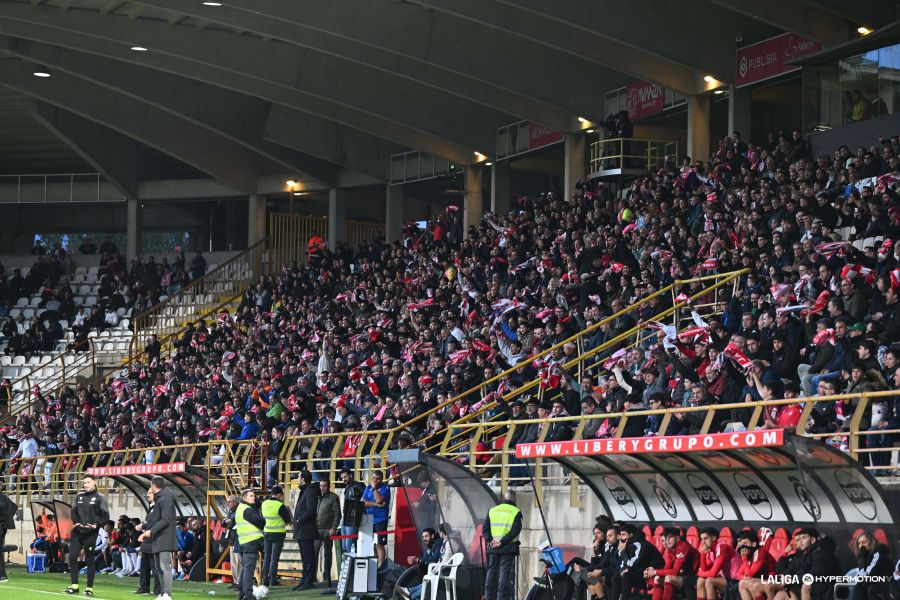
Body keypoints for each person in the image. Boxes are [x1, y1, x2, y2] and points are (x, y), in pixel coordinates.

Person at [66, 474, 110, 596]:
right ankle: (74, 586)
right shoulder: (78, 496)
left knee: (89, 560)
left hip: (91, 533)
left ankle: (89, 588)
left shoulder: (100, 498)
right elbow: (73, 512)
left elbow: (106, 517)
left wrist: (96, 525)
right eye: (84, 482)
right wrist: (76, 522)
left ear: (94, 482)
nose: (85, 485)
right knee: (72, 557)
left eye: (88, 482)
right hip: (77, 532)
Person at [138, 477, 177, 600]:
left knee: (164, 567)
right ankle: (162, 593)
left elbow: (165, 520)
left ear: (153, 485)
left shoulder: (165, 499)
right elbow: (155, 520)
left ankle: (167, 594)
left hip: (164, 538)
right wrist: (147, 529)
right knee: (159, 568)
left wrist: (150, 531)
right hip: (157, 538)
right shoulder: (160, 499)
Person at [483, 489, 522, 600]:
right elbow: (515, 531)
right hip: (507, 548)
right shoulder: (515, 512)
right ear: (515, 499)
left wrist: (491, 540)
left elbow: (485, 529)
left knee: (491, 571)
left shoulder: (492, 510)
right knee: (504, 573)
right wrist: (502, 542)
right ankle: (501, 598)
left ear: (504, 498)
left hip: (493, 547)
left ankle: (488, 597)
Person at [396, 527, 444, 600]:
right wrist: (417, 558)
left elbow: (435, 559)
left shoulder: (439, 543)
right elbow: (425, 557)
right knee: (421, 567)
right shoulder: (429, 545)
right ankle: (410, 592)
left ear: (432, 536)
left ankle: (411, 593)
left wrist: (417, 559)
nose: (424, 539)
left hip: (439, 571)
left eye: (426, 536)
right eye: (423, 537)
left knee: (421, 568)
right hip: (433, 572)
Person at [235, 489, 265, 600]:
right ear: (244, 498)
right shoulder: (247, 510)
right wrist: (263, 519)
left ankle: (242, 594)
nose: (254, 498)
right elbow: (261, 522)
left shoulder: (241, 508)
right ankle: (248, 595)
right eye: (251, 496)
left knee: (245, 569)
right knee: (249, 570)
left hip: (246, 542)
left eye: (254, 496)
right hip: (251, 542)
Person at [292, 470, 320, 591]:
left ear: (303, 479)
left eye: (298, 476)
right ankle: (304, 580)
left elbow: (310, 510)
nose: (297, 478)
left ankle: (308, 581)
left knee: (308, 558)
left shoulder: (310, 492)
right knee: (304, 557)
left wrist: (299, 520)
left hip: (307, 530)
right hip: (302, 530)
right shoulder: (304, 491)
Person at [260, 486, 292, 589]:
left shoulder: (264, 503)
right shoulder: (280, 505)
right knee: (274, 558)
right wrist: (287, 511)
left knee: (267, 557)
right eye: (281, 495)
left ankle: (264, 580)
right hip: (278, 534)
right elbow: (288, 520)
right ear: (278, 494)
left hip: (267, 533)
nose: (281, 497)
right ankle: (273, 580)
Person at [315, 479, 341, 589]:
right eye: (320, 486)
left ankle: (327, 577)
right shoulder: (316, 496)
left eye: (324, 486)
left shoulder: (333, 497)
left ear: (328, 486)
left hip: (328, 530)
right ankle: (313, 577)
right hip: (316, 529)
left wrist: (333, 527)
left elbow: (337, 513)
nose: (322, 488)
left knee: (327, 554)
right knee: (314, 553)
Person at [361, 470, 390, 565]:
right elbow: (362, 502)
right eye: (373, 478)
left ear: (381, 479)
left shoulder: (385, 488)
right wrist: (376, 505)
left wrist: (375, 489)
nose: (375, 480)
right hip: (369, 520)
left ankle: (381, 567)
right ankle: (374, 566)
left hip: (380, 520)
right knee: (371, 544)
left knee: (379, 544)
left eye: (377, 479)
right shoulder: (368, 487)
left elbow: (379, 499)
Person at [135, 489, 160, 597]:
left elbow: (154, 523)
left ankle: (158, 590)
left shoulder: (158, 507)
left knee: (155, 568)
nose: (147, 495)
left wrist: (142, 525)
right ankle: (144, 588)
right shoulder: (151, 508)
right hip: (146, 542)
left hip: (154, 542)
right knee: (144, 567)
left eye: (150, 493)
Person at [339, 468, 365, 554]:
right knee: (344, 537)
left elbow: (366, 497)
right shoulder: (347, 487)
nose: (344, 479)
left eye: (345, 477)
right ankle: (345, 554)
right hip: (346, 515)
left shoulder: (358, 485)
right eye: (342, 478)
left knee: (349, 540)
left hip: (354, 516)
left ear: (351, 475)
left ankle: (348, 554)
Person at [221, 496, 242, 591]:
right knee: (233, 563)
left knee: (238, 562)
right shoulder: (231, 511)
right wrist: (226, 521)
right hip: (232, 540)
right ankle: (235, 581)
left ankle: (239, 582)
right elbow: (223, 523)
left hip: (238, 540)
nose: (227, 503)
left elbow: (235, 523)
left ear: (235, 502)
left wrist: (230, 521)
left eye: (229, 501)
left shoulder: (239, 510)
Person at [0, 487, 17, 583]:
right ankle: (2, 575)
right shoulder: (4, 498)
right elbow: (14, 507)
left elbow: (14, 507)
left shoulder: (2, 498)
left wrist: (5, 521)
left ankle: (2, 575)